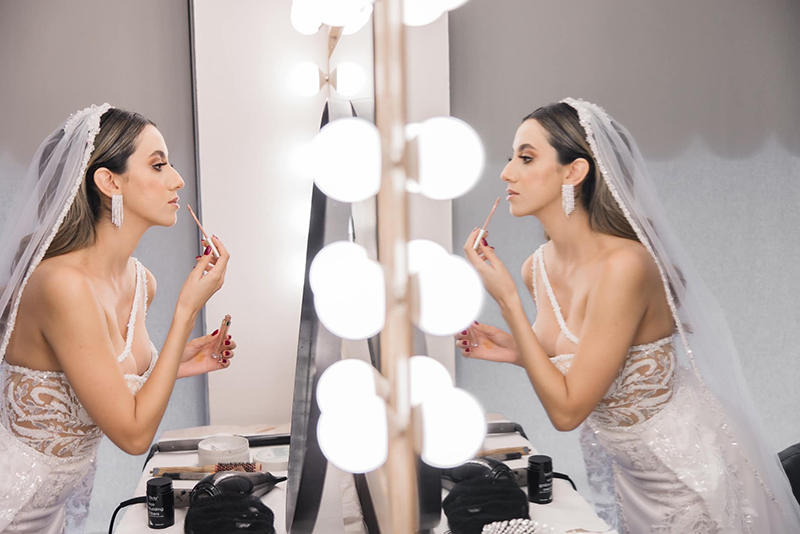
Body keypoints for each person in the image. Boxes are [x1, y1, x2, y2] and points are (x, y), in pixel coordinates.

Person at [457, 99, 800, 533]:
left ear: (574, 172)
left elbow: (567, 412)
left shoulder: (625, 267)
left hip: (689, 477)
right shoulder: (536, 268)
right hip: (633, 481)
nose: (507, 173)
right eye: (511, 158)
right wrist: (514, 350)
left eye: (525, 158)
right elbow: (582, 367)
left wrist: (508, 301)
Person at [0, 104, 234, 533]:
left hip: (48, 515)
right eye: (159, 165)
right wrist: (186, 312)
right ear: (110, 182)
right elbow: (133, 434)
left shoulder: (141, 282)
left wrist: (180, 360)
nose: (177, 180)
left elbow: (110, 382)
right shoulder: (62, 285)